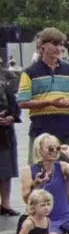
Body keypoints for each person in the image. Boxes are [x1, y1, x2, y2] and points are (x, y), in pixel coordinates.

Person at [18, 28, 69, 164]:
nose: (58, 48)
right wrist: (50, 102)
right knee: (39, 171)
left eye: (60, 44)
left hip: (67, 127)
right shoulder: (29, 72)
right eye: (54, 44)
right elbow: (23, 102)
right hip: (41, 128)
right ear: (42, 46)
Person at [0, 63, 18, 216]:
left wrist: (12, 116)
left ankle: (5, 204)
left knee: (6, 169)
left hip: (4, 130)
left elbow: (15, 102)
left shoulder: (8, 76)